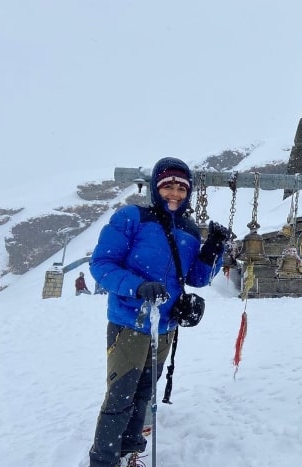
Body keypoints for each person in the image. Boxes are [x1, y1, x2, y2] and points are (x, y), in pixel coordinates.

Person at [87, 157, 231, 467]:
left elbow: (197, 277)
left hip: (165, 327)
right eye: (168, 187)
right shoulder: (132, 218)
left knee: (143, 396)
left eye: (181, 188)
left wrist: (214, 248)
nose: (175, 194)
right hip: (129, 323)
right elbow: (101, 265)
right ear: (156, 188)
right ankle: (103, 461)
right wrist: (138, 286)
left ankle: (129, 453)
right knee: (120, 398)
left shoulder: (190, 229)